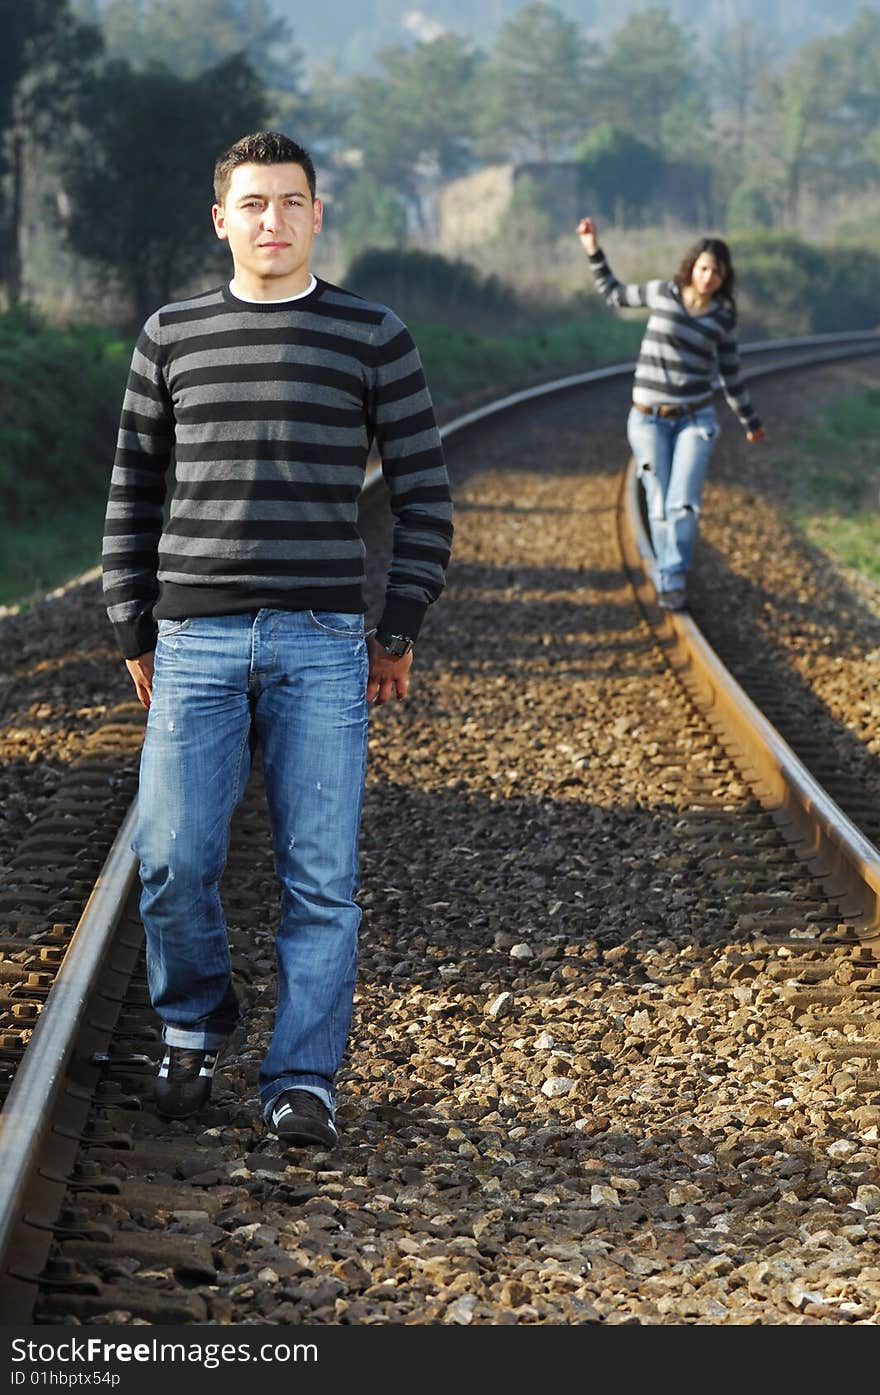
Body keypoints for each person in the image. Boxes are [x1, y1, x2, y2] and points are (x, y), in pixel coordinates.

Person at [102, 131, 454, 1148]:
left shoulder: (370, 334)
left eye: (291, 203)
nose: (273, 221)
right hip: (196, 639)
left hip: (321, 641)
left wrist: (400, 624)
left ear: (316, 215)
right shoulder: (170, 336)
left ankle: (302, 1078)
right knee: (170, 856)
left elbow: (425, 495)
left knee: (321, 876)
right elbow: (131, 492)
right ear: (221, 220)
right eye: (253, 204)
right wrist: (134, 621)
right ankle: (189, 1028)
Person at [576, 216, 766, 611]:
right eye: (703, 267)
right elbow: (614, 294)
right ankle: (668, 574)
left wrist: (750, 421)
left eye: (716, 271)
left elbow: (730, 374)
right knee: (659, 500)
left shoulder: (723, 318)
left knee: (683, 503)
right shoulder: (663, 292)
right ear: (692, 267)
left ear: (724, 277)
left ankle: (672, 578)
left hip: (695, 418)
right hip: (647, 417)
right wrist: (594, 249)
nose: (709, 276)